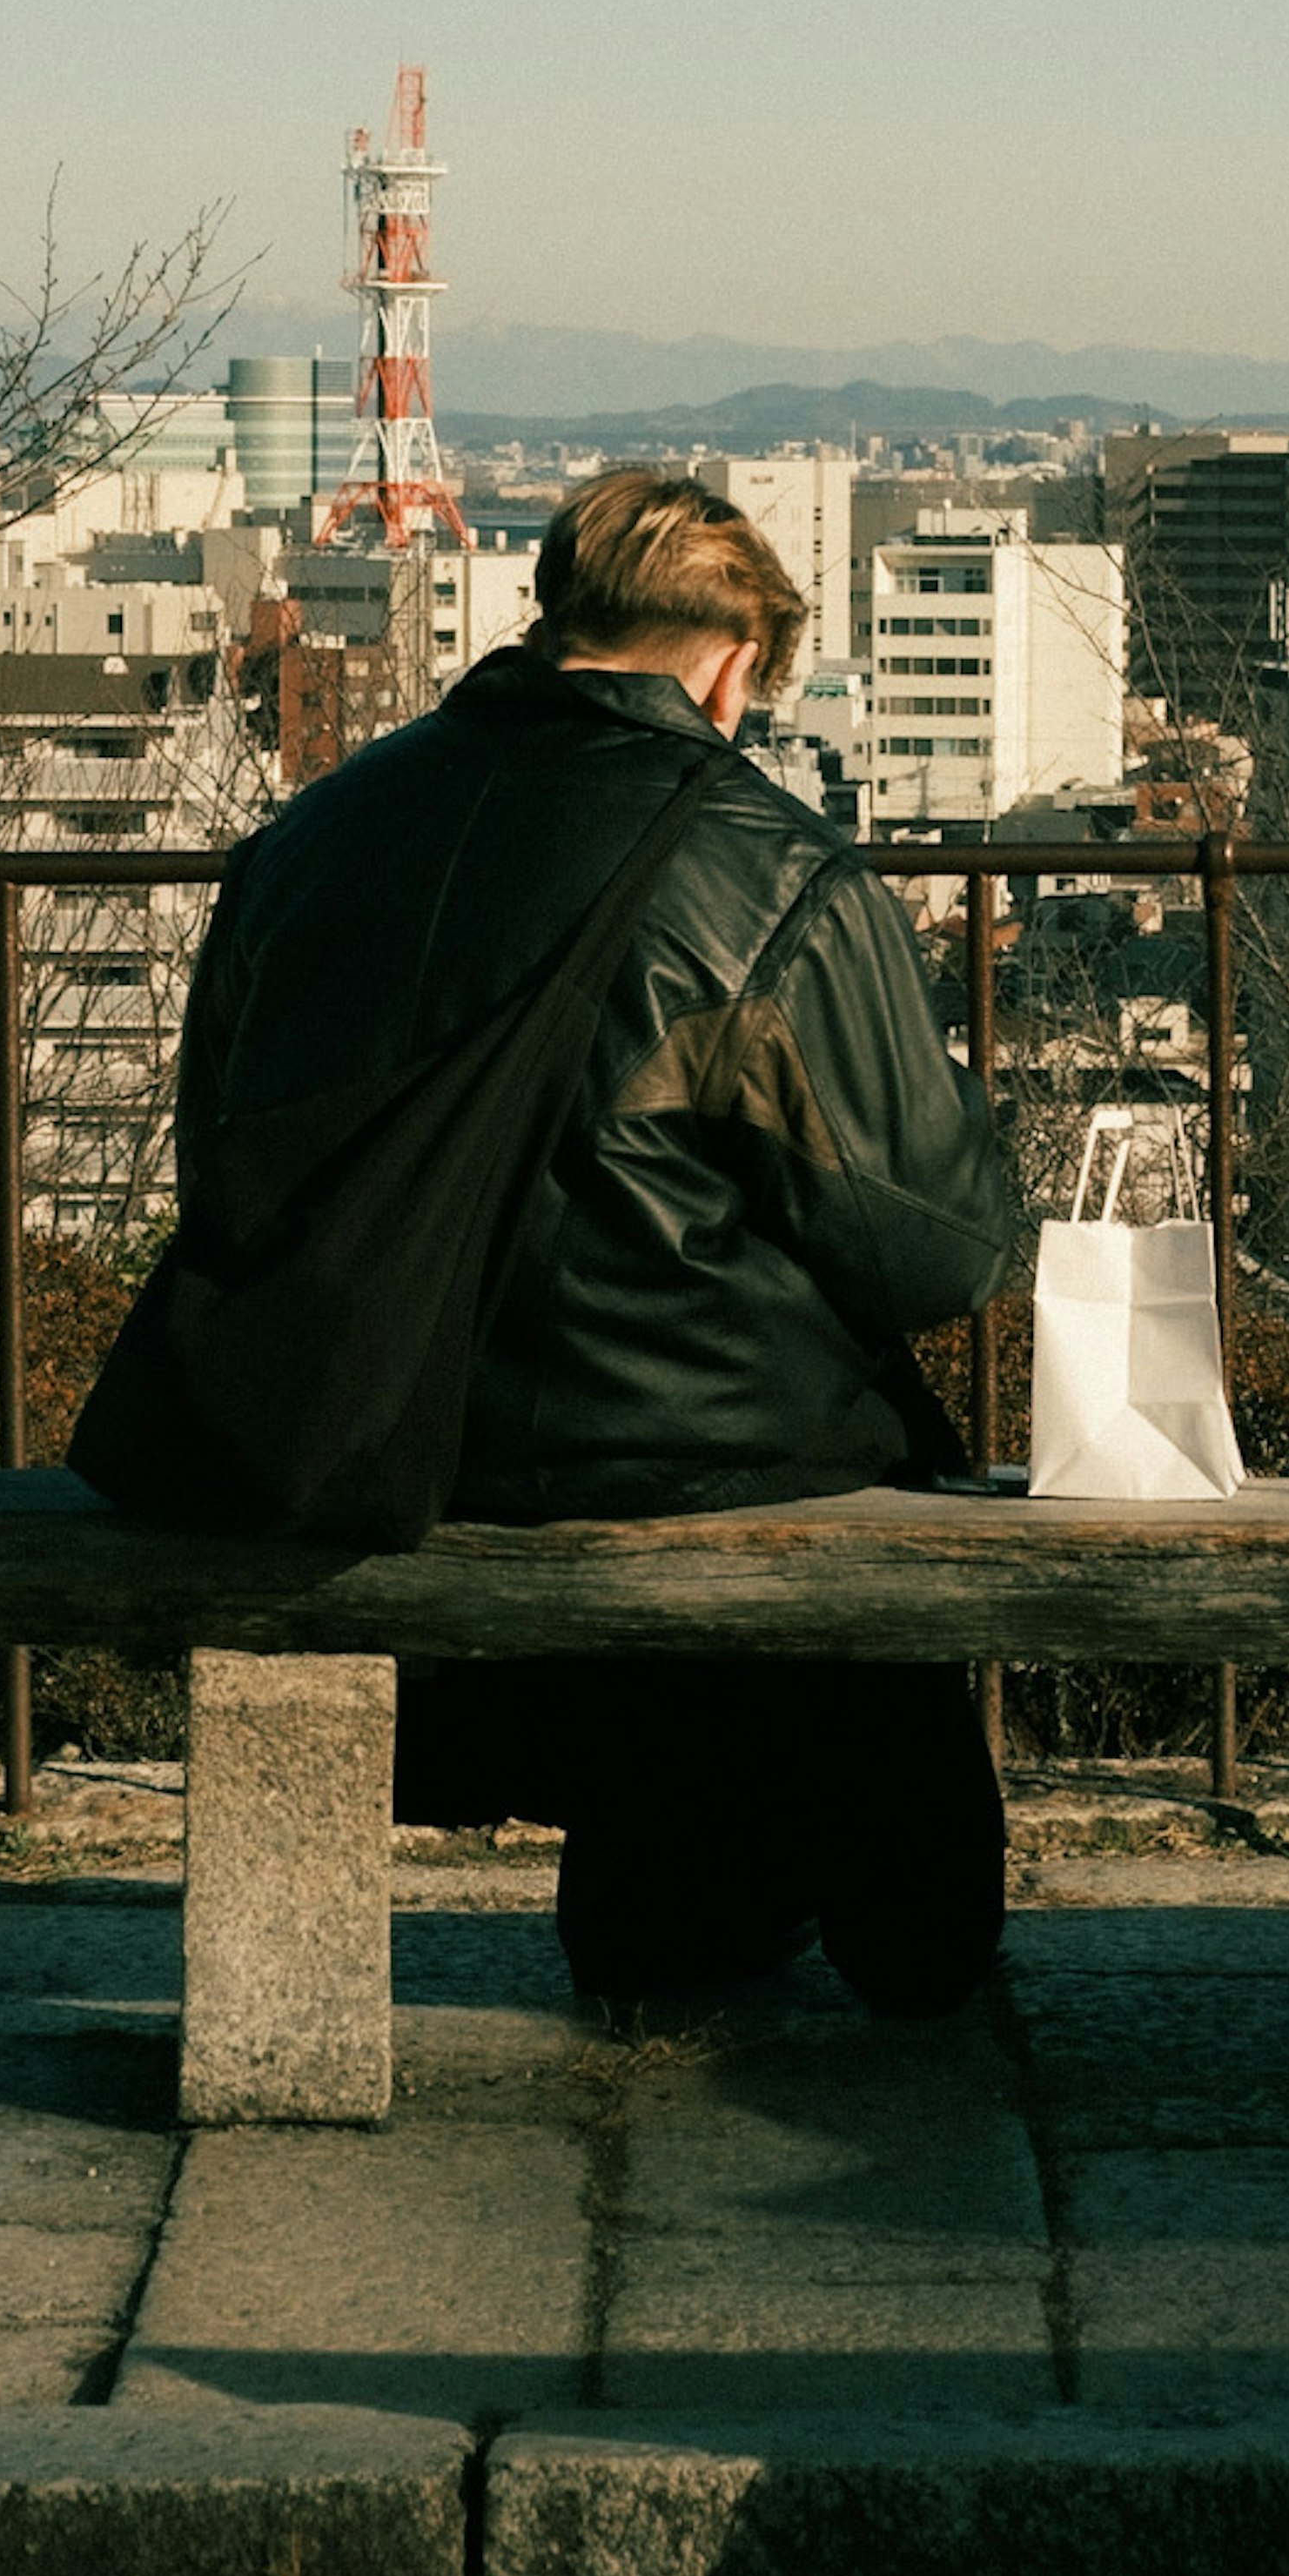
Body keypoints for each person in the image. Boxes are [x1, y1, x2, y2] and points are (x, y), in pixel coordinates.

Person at [154, 467, 1022, 2009]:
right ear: (734, 659)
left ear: (557, 618)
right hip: (704, 1464)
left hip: (356, 1444)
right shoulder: (772, 868)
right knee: (913, 1890)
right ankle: (828, 1905)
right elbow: (934, 1246)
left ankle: (685, 1899)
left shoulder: (312, 839)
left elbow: (218, 1148)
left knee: (687, 1858)